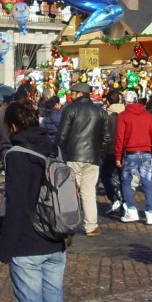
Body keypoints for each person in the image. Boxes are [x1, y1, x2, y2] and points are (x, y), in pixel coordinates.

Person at [0, 102, 67, 302]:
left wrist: (5, 247)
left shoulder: (16, 155)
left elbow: (16, 205)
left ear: (13, 126)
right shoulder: (52, 147)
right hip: (56, 236)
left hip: (28, 240)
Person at [55, 81, 110, 237]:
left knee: (70, 191)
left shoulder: (70, 109)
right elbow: (107, 136)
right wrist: (99, 152)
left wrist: (58, 151)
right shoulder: (100, 111)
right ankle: (91, 226)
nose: (71, 95)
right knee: (88, 192)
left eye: (73, 93)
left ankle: (67, 223)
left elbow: (62, 134)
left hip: (73, 155)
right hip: (92, 157)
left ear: (80, 94)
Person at [115, 91, 152, 224]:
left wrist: (118, 156)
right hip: (146, 152)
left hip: (130, 153)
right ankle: (150, 212)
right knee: (147, 183)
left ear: (125, 101)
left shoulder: (123, 116)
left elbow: (119, 138)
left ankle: (131, 210)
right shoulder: (147, 115)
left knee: (126, 182)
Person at [100, 89, 125, 214]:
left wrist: (102, 151)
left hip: (110, 151)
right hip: (124, 150)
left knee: (105, 175)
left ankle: (114, 198)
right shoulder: (126, 114)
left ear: (108, 102)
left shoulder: (107, 116)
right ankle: (125, 203)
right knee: (123, 177)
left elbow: (105, 136)